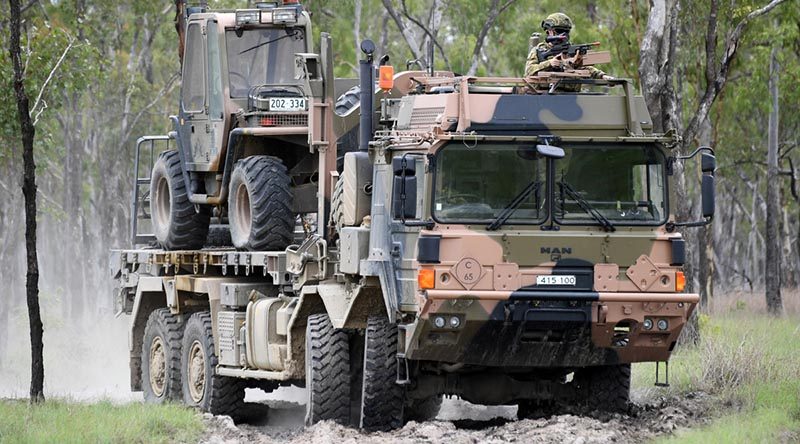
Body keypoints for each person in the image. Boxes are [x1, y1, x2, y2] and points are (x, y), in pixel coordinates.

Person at [525, 13, 613, 82]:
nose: (564, 35)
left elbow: (585, 68)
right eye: (559, 31)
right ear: (549, 31)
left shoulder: (570, 49)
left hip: (569, 95)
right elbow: (529, 72)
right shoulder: (539, 50)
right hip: (545, 96)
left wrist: (602, 76)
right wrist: (549, 63)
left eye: (566, 31)